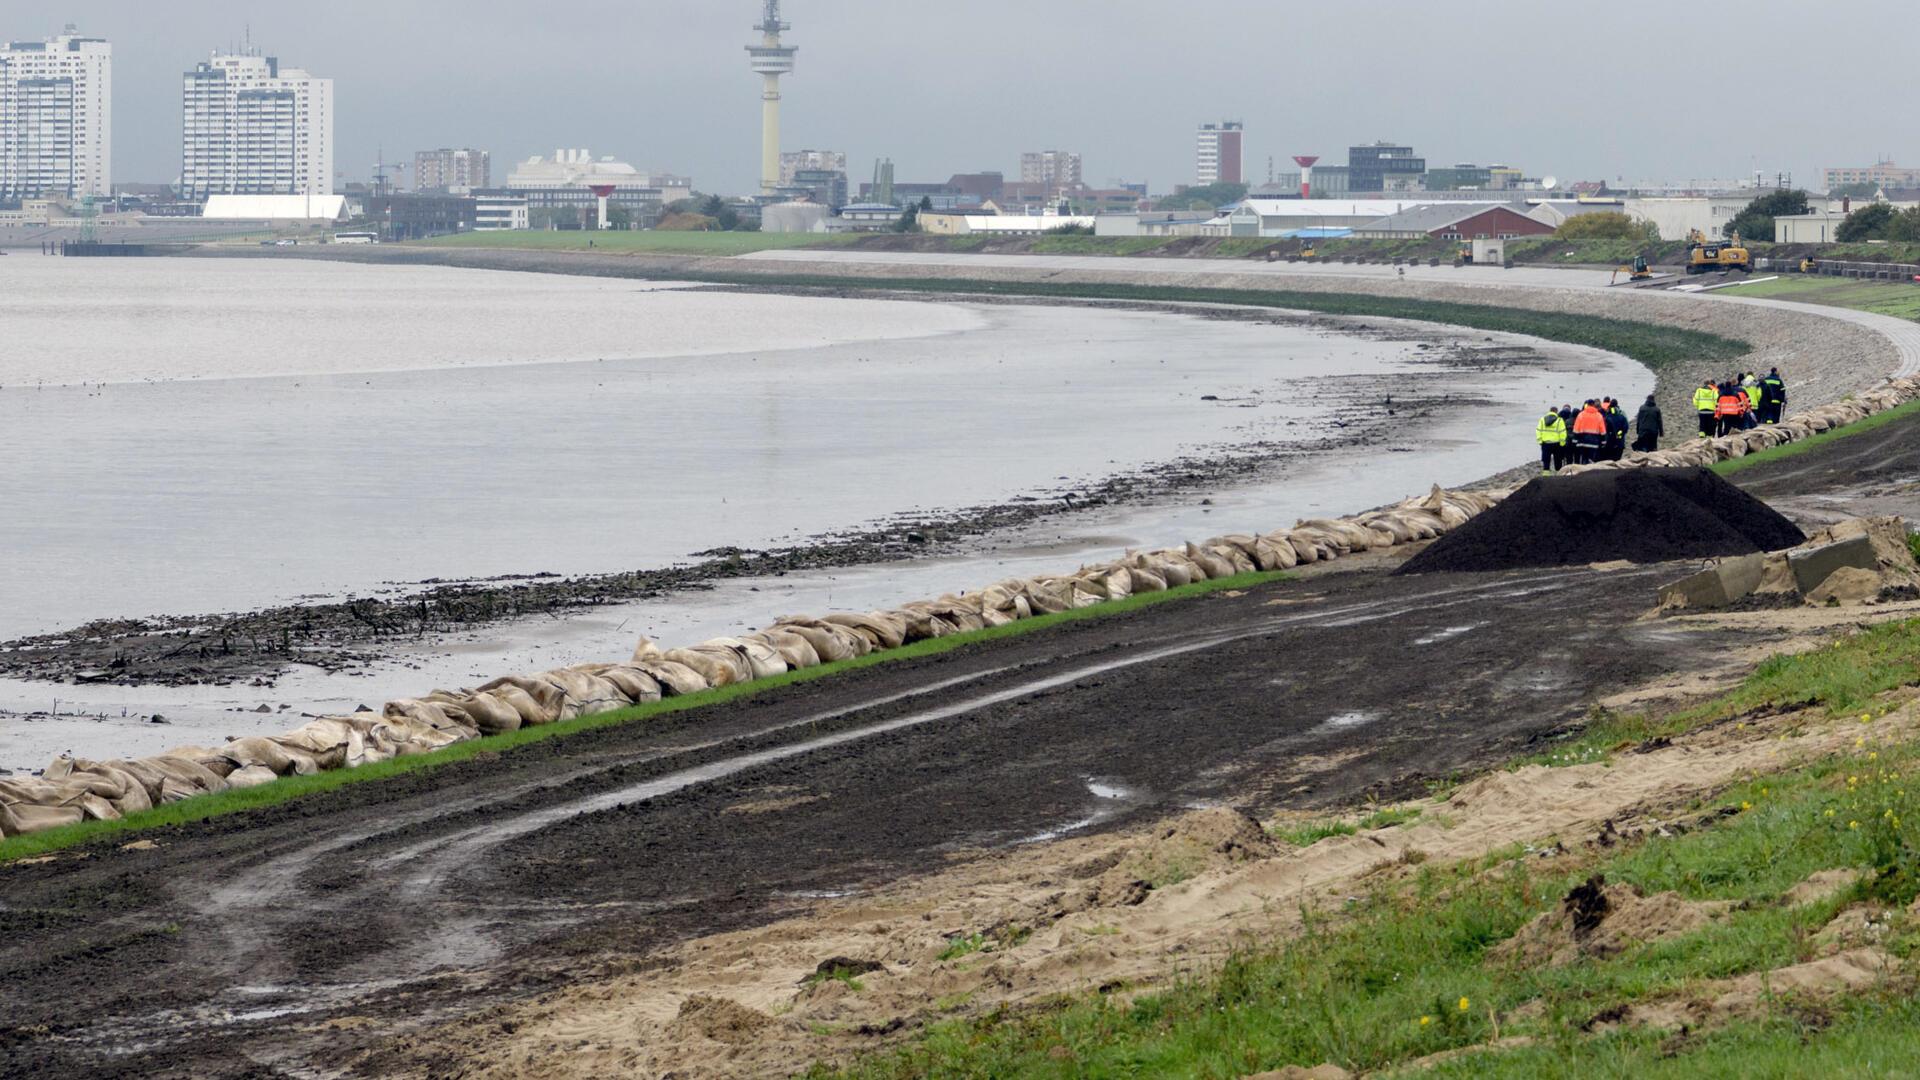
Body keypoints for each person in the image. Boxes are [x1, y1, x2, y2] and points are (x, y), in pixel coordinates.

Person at [1571, 399, 1609, 465]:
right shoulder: (1599, 416)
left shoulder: (1581, 414)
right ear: (1594, 405)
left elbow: (1576, 429)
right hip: (1594, 442)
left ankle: (1583, 469)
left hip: (1582, 441)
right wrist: (1603, 442)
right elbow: (1602, 431)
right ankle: (1589, 471)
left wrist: (1574, 441)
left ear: (1587, 405)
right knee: (1591, 460)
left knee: (1583, 458)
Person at [1536, 407, 1568, 475]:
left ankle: (1546, 474)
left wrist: (1540, 441)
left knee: (1546, 459)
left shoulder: (1542, 419)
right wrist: (1562, 443)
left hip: (1545, 443)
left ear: (1549, 411)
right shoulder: (1559, 420)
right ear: (1556, 412)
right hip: (1557, 443)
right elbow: (1562, 432)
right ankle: (1558, 473)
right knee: (1558, 459)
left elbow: (1538, 430)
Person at [1602, 397, 1630, 461]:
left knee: (1608, 460)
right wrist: (1620, 434)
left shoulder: (1606, 418)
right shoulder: (1622, 417)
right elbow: (1625, 428)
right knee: (1617, 460)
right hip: (1620, 443)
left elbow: (1603, 430)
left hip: (1609, 443)